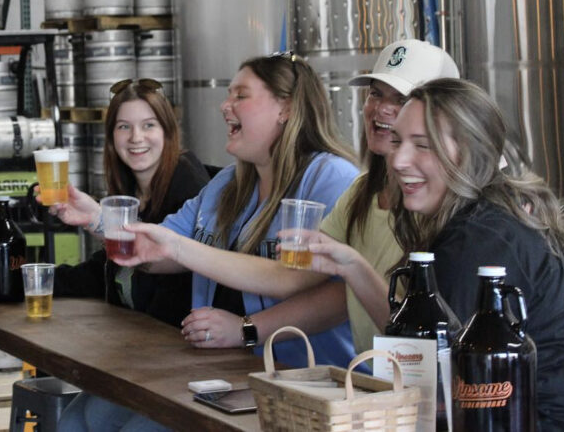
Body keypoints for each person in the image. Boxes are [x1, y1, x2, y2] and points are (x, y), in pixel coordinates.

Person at [54, 53, 359, 432]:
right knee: (75, 422)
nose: (224, 105)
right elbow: (156, 249)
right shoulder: (227, 184)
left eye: (240, 96)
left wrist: (246, 328)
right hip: (218, 368)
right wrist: (98, 219)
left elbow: (322, 289)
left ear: (285, 107)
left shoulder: (332, 177)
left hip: (300, 381)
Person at [117, 39, 460, 354]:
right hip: (361, 385)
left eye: (401, 100)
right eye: (375, 94)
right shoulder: (359, 192)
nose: (383, 109)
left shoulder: (455, 216)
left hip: (351, 381)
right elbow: (291, 276)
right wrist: (102, 221)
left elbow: (444, 347)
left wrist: (246, 328)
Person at [383, 78, 564, 428]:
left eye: (423, 145)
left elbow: (439, 387)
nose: (398, 160)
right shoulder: (489, 220)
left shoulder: (476, 242)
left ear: (471, 153)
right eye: (395, 141)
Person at [53, 78, 210, 327]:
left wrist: (98, 220)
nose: (136, 137)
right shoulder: (131, 187)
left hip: (173, 342)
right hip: (133, 333)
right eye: (124, 127)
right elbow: (112, 267)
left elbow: (173, 274)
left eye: (148, 125)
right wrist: (40, 279)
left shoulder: (186, 184)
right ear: (112, 136)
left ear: (167, 131)